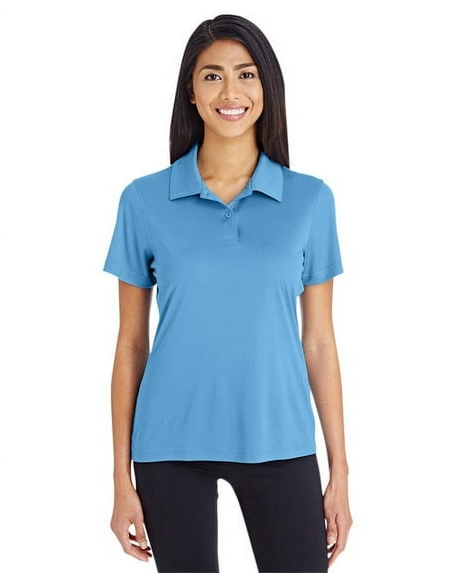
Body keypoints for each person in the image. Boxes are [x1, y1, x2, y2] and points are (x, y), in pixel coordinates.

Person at [103, 13, 352, 572]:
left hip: (280, 438)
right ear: (191, 93)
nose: (230, 92)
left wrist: (339, 470)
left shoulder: (311, 200)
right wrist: (120, 477)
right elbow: (130, 344)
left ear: (267, 87)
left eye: (246, 74)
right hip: (168, 444)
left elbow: (319, 342)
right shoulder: (143, 200)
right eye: (212, 76)